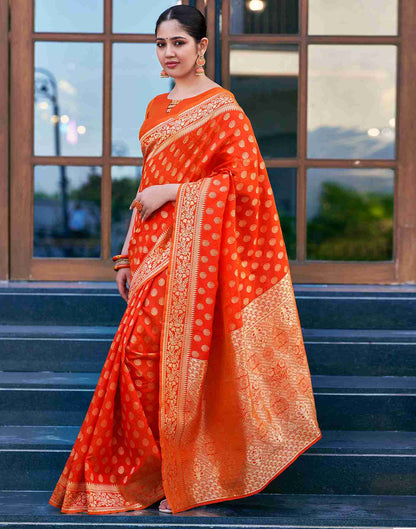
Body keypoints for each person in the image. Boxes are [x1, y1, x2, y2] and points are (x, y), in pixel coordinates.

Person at [48, 4, 322, 516]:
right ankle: (153, 473)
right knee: (140, 359)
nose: (168, 53)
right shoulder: (157, 109)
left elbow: (246, 188)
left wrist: (176, 190)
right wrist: (125, 255)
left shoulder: (224, 109)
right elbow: (144, 188)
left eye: (178, 43)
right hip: (150, 249)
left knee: (177, 360)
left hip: (199, 258)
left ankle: (186, 475)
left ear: (201, 48)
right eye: (160, 44)